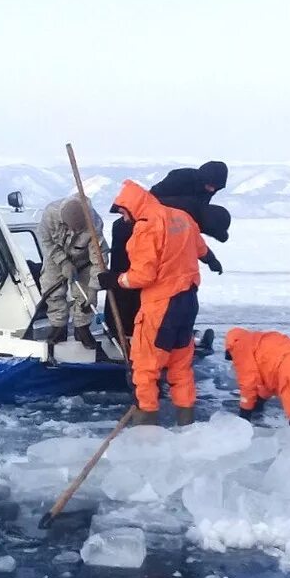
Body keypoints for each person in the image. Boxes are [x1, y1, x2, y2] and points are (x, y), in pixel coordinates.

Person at [98, 180, 215, 426]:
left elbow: (143, 276)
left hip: (161, 306)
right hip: (187, 302)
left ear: (132, 206)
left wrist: (115, 279)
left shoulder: (147, 227)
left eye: (122, 211)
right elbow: (200, 247)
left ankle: (146, 428)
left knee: (145, 367)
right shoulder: (180, 216)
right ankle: (187, 424)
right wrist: (210, 259)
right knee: (180, 365)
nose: (123, 218)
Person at [106, 161, 229, 340]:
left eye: (216, 188)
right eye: (209, 185)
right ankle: (123, 330)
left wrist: (209, 258)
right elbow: (149, 203)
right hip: (132, 229)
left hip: (157, 233)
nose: (211, 190)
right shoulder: (181, 181)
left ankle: (147, 328)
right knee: (131, 282)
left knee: (150, 283)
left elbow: (192, 236)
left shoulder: (194, 207)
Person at [38, 195, 106, 348]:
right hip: (55, 255)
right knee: (51, 290)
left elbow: (99, 257)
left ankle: (82, 329)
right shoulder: (50, 214)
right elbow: (46, 241)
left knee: (85, 293)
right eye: (70, 227)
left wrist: (94, 288)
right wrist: (63, 261)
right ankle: (58, 327)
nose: (73, 231)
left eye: (77, 229)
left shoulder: (94, 223)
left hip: (83, 257)